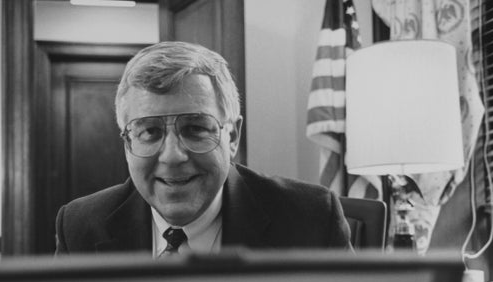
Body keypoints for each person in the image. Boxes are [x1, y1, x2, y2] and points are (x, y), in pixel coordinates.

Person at [55, 41, 351, 256]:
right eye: (149, 131)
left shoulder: (311, 221)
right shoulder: (79, 227)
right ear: (126, 143)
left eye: (195, 128)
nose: (172, 156)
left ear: (232, 136)